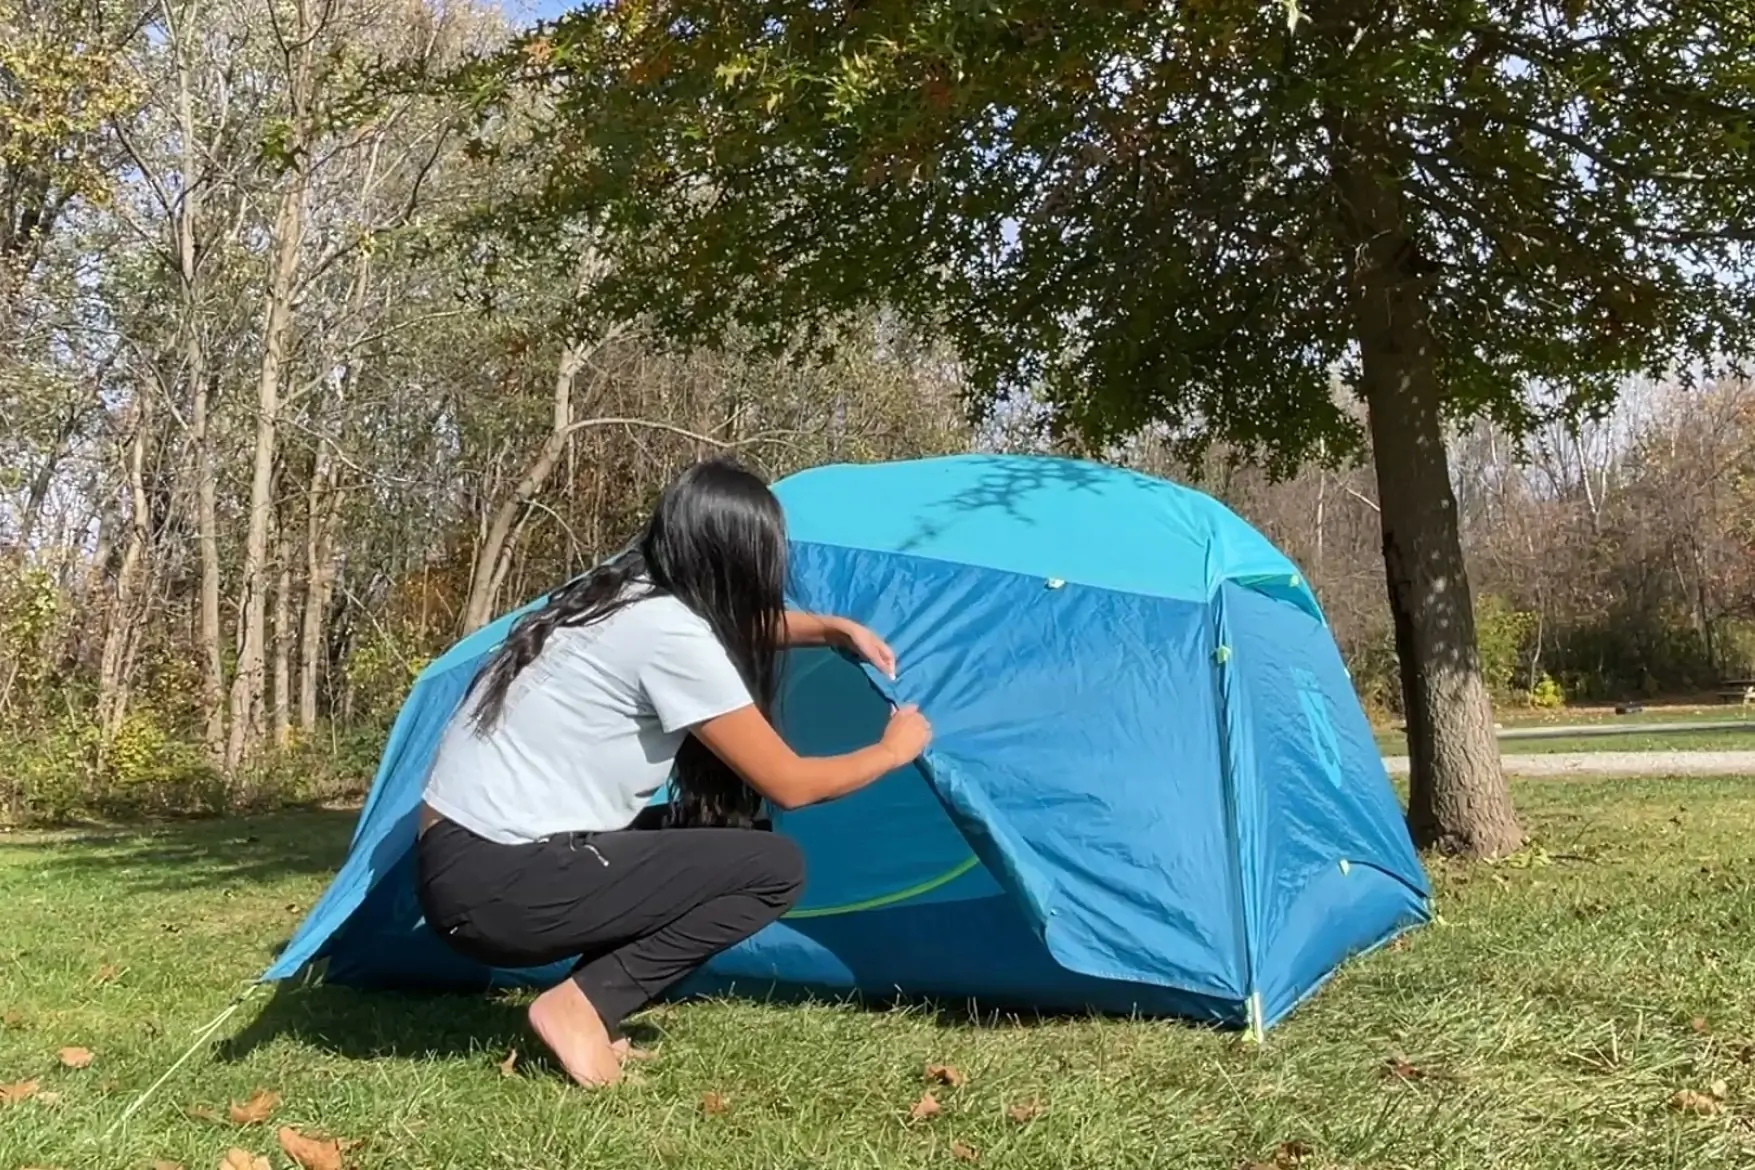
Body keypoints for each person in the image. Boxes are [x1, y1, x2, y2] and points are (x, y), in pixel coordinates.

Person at [415, 457, 933, 1088]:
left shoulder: (616, 598)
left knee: (734, 838)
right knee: (773, 869)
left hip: (468, 873)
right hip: (501, 884)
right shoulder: (668, 633)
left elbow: (729, 626)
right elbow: (791, 784)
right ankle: (578, 1008)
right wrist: (891, 750)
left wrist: (824, 628)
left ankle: (587, 1004)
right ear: (735, 559)